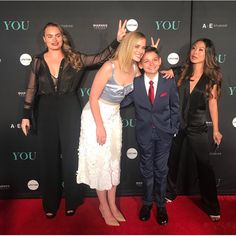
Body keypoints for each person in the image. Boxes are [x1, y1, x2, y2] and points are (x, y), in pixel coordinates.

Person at [21, 20, 127, 218]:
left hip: (70, 108)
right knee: (48, 158)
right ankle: (50, 204)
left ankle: (72, 200)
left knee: (71, 156)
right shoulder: (37, 60)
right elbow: (31, 89)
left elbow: (101, 57)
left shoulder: (75, 59)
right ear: (44, 39)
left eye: (57, 35)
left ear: (63, 38)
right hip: (45, 110)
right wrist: (26, 114)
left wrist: (117, 41)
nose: (54, 39)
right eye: (50, 36)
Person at [76, 31, 147, 226]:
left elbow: (150, 76)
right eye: (137, 46)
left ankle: (112, 204)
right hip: (95, 115)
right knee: (100, 162)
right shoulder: (110, 66)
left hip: (114, 116)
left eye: (143, 47)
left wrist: (163, 64)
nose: (141, 51)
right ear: (127, 46)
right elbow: (92, 98)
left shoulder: (136, 69)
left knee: (114, 160)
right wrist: (99, 126)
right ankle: (104, 206)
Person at [163, 38, 223, 221]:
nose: (195, 52)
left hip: (197, 127)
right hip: (177, 125)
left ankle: (212, 205)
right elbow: (157, 74)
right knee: (172, 161)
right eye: (194, 48)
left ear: (208, 54)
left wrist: (216, 129)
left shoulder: (211, 78)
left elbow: (212, 103)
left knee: (204, 166)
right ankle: (169, 193)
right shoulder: (180, 71)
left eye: (201, 50)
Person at [121, 46, 180, 225]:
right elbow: (123, 101)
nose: (151, 64)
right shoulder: (136, 83)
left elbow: (175, 107)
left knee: (161, 171)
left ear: (160, 61)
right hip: (144, 133)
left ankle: (161, 205)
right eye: (146, 61)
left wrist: (173, 128)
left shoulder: (168, 81)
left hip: (165, 134)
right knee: (147, 170)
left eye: (154, 60)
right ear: (140, 64)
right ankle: (147, 203)